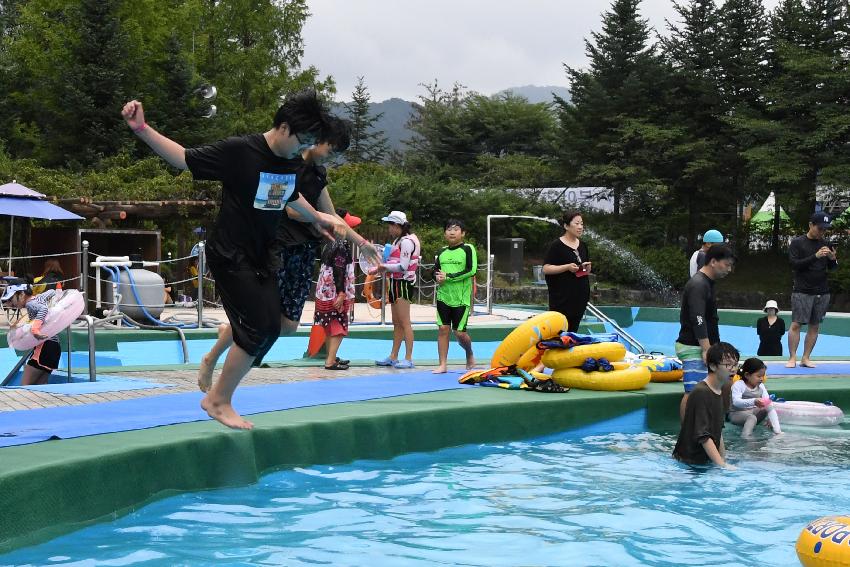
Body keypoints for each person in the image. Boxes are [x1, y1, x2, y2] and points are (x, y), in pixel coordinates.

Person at [122, 91, 348, 430]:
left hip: (262, 252)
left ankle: (217, 389)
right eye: (305, 139)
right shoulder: (240, 151)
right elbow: (184, 158)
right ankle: (218, 399)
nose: (305, 148)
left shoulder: (289, 161)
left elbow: (289, 193)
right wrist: (142, 129)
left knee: (273, 327)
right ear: (284, 127)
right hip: (230, 252)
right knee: (257, 327)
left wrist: (317, 217)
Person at [194, 117, 377, 387]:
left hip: (303, 252)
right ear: (319, 141)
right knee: (259, 317)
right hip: (280, 248)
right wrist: (318, 219)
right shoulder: (290, 166)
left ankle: (232, 332)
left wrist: (361, 242)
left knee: (289, 325)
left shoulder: (317, 173)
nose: (332, 156)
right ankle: (212, 359)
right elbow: (290, 209)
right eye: (331, 149)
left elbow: (331, 212)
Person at [675, 244, 736, 422]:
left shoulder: (708, 282)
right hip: (694, 345)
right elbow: (698, 318)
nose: (729, 269)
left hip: (707, 345)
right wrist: (706, 349)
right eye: (727, 264)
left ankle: (719, 424)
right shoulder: (698, 284)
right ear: (713, 261)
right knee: (693, 391)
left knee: (726, 383)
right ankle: (688, 433)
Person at [673, 341, 739, 469]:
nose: (733, 369)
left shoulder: (721, 390)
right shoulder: (701, 392)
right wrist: (722, 465)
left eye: (735, 365)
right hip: (687, 463)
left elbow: (718, 431)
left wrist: (722, 460)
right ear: (713, 366)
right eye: (728, 365)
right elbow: (704, 436)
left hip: (705, 462)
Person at [786, 212, 838, 368]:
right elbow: (795, 264)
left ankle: (806, 357)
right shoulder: (797, 243)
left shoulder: (826, 244)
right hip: (802, 290)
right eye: (820, 228)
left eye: (825, 229)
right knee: (796, 324)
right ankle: (792, 357)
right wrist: (815, 256)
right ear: (811, 225)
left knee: (815, 325)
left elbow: (833, 268)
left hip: (822, 291)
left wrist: (832, 259)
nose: (822, 232)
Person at [313, 209, 362, 370]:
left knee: (329, 325)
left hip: (324, 292)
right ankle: (330, 361)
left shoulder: (329, 241)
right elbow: (339, 270)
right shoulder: (340, 245)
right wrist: (341, 293)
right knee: (339, 326)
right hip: (335, 292)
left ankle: (331, 357)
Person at [375, 210, 420, 369]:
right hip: (394, 282)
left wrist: (383, 267)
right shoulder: (397, 240)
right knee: (396, 322)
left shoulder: (407, 241)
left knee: (405, 321)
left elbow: (403, 266)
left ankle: (408, 357)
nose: (389, 228)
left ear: (397, 225)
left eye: (390, 225)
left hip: (403, 284)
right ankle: (393, 356)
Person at [433, 219, 477, 374]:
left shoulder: (468, 249)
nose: (452, 232)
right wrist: (437, 277)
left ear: (463, 233)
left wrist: (449, 277)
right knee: (443, 329)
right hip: (443, 296)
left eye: (456, 229)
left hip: (461, 298)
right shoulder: (440, 252)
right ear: (445, 233)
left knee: (459, 333)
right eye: (449, 229)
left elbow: (471, 270)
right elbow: (435, 271)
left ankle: (469, 353)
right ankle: (443, 364)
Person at [1, 283, 62, 386]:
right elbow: (51, 292)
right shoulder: (38, 298)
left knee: (25, 388)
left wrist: (35, 329)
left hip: (44, 347)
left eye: (12, 299)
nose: (11, 304)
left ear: (21, 295)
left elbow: (43, 310)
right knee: (40, 387)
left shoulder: (30, 304)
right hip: (54, 346)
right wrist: (57, 294)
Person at [543, 211, 591, 333]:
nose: (580, 227)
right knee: (559, 332)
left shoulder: (583, 245)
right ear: (566, 226)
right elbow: (546, 268)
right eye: (576, 223)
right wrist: (566, 267)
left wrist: (586, 269)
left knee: (573, 332)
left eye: (582, 223)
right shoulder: (556, 245)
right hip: (562, 300)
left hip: (579, 298)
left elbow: (581, 271)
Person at [729, 357, 782, 438]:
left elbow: (768, 402)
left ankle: (778, 432)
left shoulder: (761, 386)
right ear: (747, 375)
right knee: (752, 418)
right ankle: (746, 438)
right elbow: (736, 402)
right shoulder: (739, 385)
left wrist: (770, 419)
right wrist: (754, 401)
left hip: (753, 412)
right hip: (737, 414)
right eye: (758, 376)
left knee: (769, 407)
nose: (761, 379)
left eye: (763, 376)